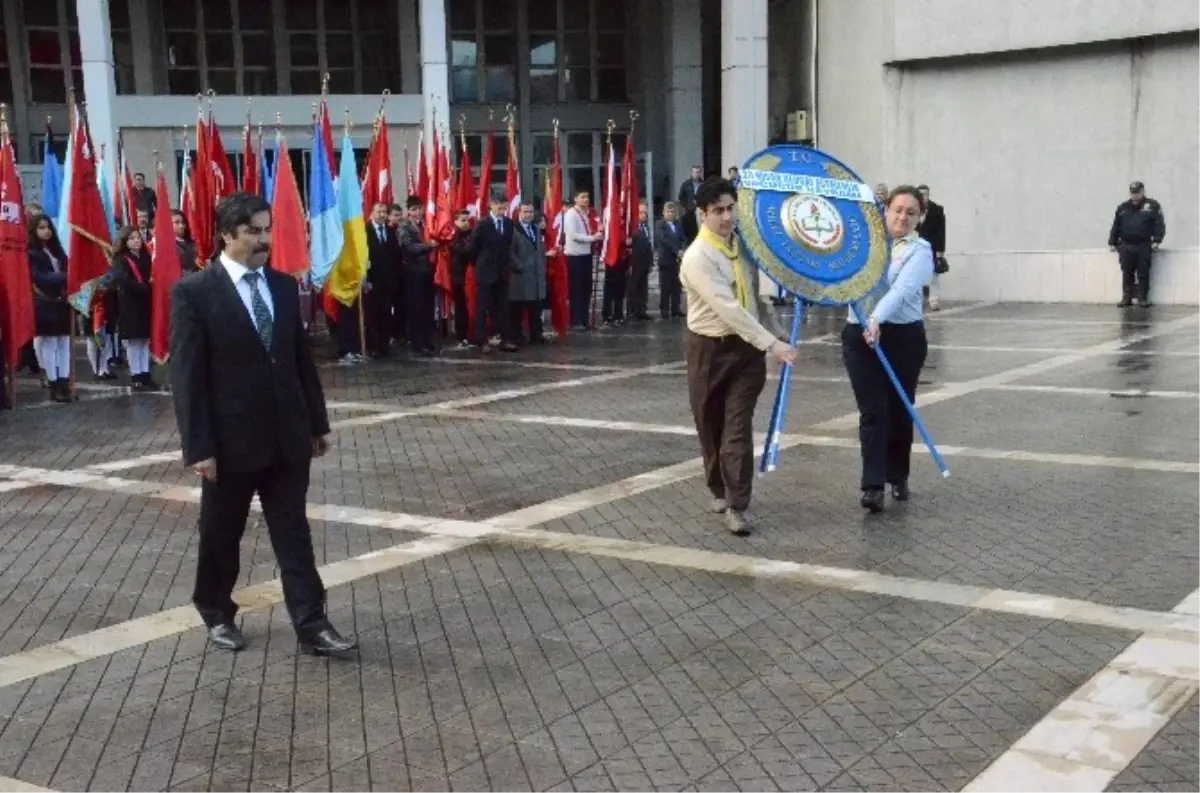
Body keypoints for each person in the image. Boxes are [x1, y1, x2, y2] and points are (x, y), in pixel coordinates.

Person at [169, 192, 355, 656]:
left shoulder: (284, 286)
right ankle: (215, 611)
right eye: (253, 231)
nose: (263, 239)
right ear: (226, 235)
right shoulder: (194, 292)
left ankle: (312, 624)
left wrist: (316, 422)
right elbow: (187, 378)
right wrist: (199, 447)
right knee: (221, 533)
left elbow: (299, 361)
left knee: (294, 533)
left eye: (267, 229)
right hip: (230, 442)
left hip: (287, 436)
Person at [680, 178, 796, 535]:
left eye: (731, 208)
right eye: (718, 211)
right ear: (702, 215)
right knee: (709, 423)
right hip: (709, 349)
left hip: (746, 352)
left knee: (736, 427)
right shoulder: (698, 257)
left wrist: (775, 329)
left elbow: (754, 298)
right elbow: (728, 309)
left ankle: (736, 502)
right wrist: (772, 345)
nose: (727, 217)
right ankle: (716, 487)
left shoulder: (742, 247)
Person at [842, 186, 935, 514]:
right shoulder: (864, 244)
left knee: (899, 408)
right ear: (885, 209)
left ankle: (899, 474)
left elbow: (903, 289)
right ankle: (872, 485)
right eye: (897, 209)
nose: (902, 217)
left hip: (902, 339)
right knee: (873, 412)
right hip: (860, 337)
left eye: (911, 212)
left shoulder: (920, 250)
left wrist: (877, 318)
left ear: (919, 217)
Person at [28, 214, 72, 403]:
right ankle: (53, 383)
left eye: (48, 227)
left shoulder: (57, 251)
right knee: (49, 344)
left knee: (63, 343)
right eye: (41, 228)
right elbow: (40, 278)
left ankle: (64, 381)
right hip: (43, 302)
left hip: (61, 302)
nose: (46, 231)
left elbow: (68, 266)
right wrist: (66, 276)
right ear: (33, 231)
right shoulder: (30, 253)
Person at [111, 226, 159, 391]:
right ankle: (136, 375)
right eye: (131, 238)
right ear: (124, 242)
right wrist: (145, 288)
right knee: (134, 342)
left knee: (145, 341)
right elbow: (124, 281)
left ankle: (145, 374)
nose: (136, 241)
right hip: (130, 304)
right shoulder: (121, 260)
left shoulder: (146, 257)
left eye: (138, 237)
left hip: (145, 303)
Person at [1109, 180, 1166, 308]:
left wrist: (1157, 240)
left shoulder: (1152, 206)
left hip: (1143, 244)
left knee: (1143, 272)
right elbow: (1116, 226)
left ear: (1142, 191)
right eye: (1132, 192)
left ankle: (1143, 298)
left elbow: (1159, 224)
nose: (1135, 195)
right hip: (1125, 245)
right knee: (1127, 272)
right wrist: (1112, 242)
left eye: (1137, 192)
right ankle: (1126, 297)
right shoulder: (1122, 208)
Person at [471, 195, 517, 351]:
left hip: (502, 271)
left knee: (503, 306)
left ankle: (506, 338)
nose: (501, 211)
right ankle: (481, 339)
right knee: (483, 306)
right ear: (492, 205)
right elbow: (474, 247)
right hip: (485, 270)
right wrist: (480, 264)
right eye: (499, 208)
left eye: (504, 208)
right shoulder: (483, 224)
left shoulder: (509, 224)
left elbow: (509, 245)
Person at [397, 197, 438, 357]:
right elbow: (408, 246)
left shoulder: (427, 223)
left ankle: (427, 340)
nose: (416, 212)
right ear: (408, 210)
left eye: (418, 208)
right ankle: (417, 341)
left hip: (428, 271)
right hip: (413, 271)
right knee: (416, 307)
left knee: (428, 307)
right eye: (413, 209)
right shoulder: (404, 225)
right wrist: (428, 246)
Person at [562, 190, 602, 331]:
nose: (586, 199)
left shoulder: (585, 214)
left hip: (586, 255)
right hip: (574, 257)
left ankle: (584, 320)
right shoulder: (571, 214)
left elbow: (586, 231)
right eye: (582, 197)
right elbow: (573, 235)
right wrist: (593, 238)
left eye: (587, 196)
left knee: (586, 289)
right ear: (575, 198)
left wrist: (596, 233)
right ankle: (576, 321)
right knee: (576, 290)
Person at [365, 202, 400, 358]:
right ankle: (373, 346)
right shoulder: (365, 231)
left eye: (384, 212)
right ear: (372, 213)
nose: (382, 215)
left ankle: (384, 345)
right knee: (372, 314)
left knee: (386, 314)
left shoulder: (390, 231)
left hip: (388, 281)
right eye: (379, 212)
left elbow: (395, 255)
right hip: (372, 281)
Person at [509, 201, 547, 345]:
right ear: (519, 213)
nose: (528, 215)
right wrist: (519, 266)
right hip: (520, 276)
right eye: (525, 212)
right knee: (517, 309)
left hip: (536, 276)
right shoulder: (513, 230)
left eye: (531, 212)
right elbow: (510, 252)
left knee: (536, 308)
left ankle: (537, 334)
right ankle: (517, 335)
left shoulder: (536, 228)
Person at [916, 185, 946, 311]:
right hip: (916, 247)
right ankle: (917, 299)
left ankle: (934, 300)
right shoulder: (912, 209)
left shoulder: (937, 210)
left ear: (929, 195)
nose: (923, 196)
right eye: (921, 194)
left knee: (934, 274)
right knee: (915, 273)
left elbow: (941, 232)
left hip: (932, 247)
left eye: (926, 194)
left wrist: (940, 253)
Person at [656, 202, 686, 318]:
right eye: (668, 211)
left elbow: (683, 238)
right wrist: (677, 250)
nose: (671, 214)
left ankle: (676, 308)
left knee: (677, 286)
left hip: (677, 261)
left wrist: (683, 249)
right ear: (664, 212)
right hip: (666, 260)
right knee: (665, 287)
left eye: (673, 212)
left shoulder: (678, 224)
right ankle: (664, 309)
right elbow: (664, 240)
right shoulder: (660, 224)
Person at [626, 203, 653, 321]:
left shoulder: (646, 227)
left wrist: (651, 262)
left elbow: (649, 245)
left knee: (643, 287)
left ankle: (642, 310)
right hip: (635, 262)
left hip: (645, 262)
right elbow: (629, 246)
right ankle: (632, 311)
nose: (643, 215)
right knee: (633, 287)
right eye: (641, 212)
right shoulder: (632, 228)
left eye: (645, 213)